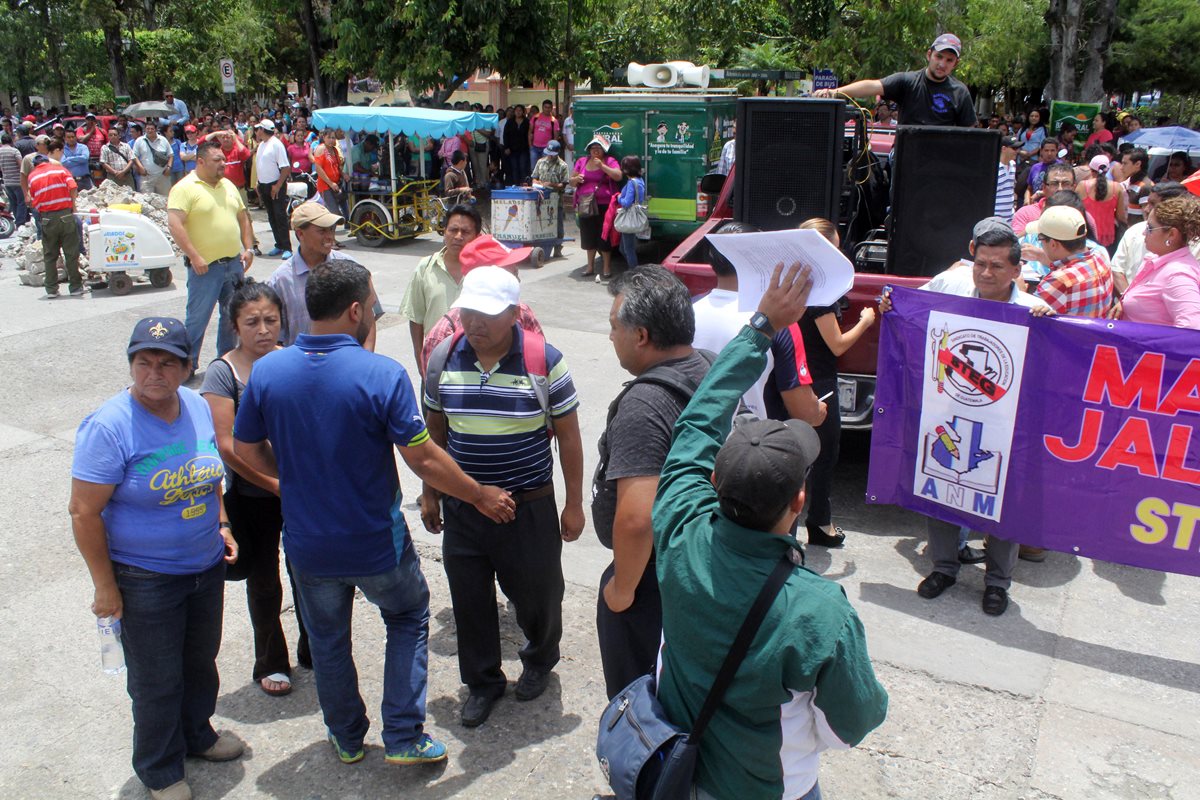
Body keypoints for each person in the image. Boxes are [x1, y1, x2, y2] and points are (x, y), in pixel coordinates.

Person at [233, 260, 515, 766]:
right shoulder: (380, 374)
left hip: (307, 545)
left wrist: (288, 484)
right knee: (407, 616)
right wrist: (478, 494)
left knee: (327, 639)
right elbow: (423, 456)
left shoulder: (269, 371)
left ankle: (345, 736)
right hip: (374, 542)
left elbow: (244, 448)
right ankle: (404, 736)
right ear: (356, 310)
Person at [654, 263, 889, 800]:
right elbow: (856, 719)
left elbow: (696, 422)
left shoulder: (678, 529)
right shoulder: (819, 609)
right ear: (799, 502)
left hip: (678, 770)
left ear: (713, 480)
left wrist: (761, 326)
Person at [70, 317, 244, 800]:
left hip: (204, 564)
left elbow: (209, 475)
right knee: (155, 679)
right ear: (131, 365)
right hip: (143, 576)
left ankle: (197, 735)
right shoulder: (109, 426)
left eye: (168, 363)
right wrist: (106, 586)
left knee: (200, 662)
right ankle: (160, 769)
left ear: (188, 367)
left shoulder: (195, 405)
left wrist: (222, 523)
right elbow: (84, 511)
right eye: (144, 362)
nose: (155, 373)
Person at [420, 265, 584, 727]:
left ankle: (538, 659)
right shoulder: (442, 361)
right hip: (464, 505)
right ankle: (483, 682)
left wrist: (573, 503)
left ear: (514, 313)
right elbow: (434, 433)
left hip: (528, 505)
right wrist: (431, 494)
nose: (475, 323)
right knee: (469, 599)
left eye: (488, 314)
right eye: (469, 311)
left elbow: (569, 438)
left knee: (539, 595)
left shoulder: (544, 360)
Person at [879, 222, 1052, 613]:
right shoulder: (951, 287)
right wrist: (889, 304)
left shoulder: (1034, 312)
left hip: (1006, 429)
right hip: (950, 417)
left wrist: (1049, 322)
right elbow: (904, 305)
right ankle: (944, 567)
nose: (986, 273)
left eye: (996, 266)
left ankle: (997, 583)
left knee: (1001, 505)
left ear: (1015, 270)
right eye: (980, 264)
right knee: (941, 489)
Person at [593, 265, 712, 700]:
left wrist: (622, 590)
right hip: (697, 565)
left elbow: (637, 519)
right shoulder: (706, 366)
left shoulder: (645, 404)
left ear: (640, 335)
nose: (610, 337)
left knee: (639, 703)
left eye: (613, 327)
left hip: (652, 579)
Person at [200, 281, 309, 697]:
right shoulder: (222, 373)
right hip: (252, 497)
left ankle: (314, 648)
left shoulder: (293, 360)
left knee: (309, 575)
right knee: (264, 581)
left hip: (298, 492)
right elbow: (227, 446)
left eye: (271, 320)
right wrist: (273, 484)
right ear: (234, 327)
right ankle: (271, 661)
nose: (263, 330)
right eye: (252, 322)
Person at [691, 222, 828, 429]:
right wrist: (817, 410)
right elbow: (804, 413)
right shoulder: (779, 322)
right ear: (759, 260)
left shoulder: (686, 311)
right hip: (748, 448)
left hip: (689, 439)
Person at [796, 218, 876, 549]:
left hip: (794, 375)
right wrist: (865, 322)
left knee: (795, 452)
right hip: (820, 380)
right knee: (825, 455)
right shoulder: (820, 293)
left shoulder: (793, 281)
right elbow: (838, 344)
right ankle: (820, 523)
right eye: (836, 245)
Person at [168, 140, 256, 372]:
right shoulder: (184, 188)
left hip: (233, 265)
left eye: (224, 160)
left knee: (231, 317)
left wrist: (249, 248)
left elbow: (243, 217)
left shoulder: (228, 185)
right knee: (197, 320)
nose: (223, 164)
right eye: (217, 160)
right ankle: (187, 366)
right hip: (205, 268)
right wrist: (194, 256)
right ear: (200, 161)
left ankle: (224, 362)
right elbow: (175, 224)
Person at [419, 235, 543, 374]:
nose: (518, 280)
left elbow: (541, 365)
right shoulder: (442, 336)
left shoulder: (522, 314)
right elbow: (435, 389)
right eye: (512, 273)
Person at [815, 33, 976, 127]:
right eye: (939, 57)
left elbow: (970, 135)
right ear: (929, 55)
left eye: (949, 60)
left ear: (956, 63)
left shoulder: (960, 92)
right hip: (907, 157)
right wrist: (835, 92)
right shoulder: (907, 81)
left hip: (941, 165)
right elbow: (872, 86)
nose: (942, 64)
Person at [268, 202, 361, 347]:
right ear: (300, 233)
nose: (330, 236)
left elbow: (368, 321)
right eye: (322, 231)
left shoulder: (350, 266)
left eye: (332, 229)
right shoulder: (280, 281)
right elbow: (275, 338)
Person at [400, 204, 483, 366]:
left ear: (477, 236)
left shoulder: (485, 271)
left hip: (476, 363)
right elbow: (416, 318)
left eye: (465, 232)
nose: (458, 236)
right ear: (444, 232)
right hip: (435, 360)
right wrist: (420, 359)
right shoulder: (425, 267)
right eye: (453, 230)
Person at [1113, 195, 1200, 328]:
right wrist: (1125, 303)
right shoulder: (1158, 260)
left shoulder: (1178, 276)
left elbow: (1192, 330)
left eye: (1149, 228)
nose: (1143, 233)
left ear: (1172, 234)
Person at [1111, 181, 1200, 293]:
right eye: (1147, 203)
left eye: (1153, 204)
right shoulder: (1134, 231)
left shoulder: (1194, 247)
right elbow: (1116, 269)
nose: (1146, 209)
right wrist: (1127, 300)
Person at [1029, 206, 1114, 317]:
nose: (1040, 244)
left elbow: (1025, 316)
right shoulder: (1101, 256)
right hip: (1097, 331)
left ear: (1053, 244)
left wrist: (1018, 288)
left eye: (1040, 239)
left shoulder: (1058, 281)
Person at [28, 141, 85, 298]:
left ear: (35, 165)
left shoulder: (32, 176)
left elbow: (34, 200)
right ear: (47, 161)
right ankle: (75, 287)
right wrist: (73, 205)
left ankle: (52, 289)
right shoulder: (60, 170)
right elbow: (73, 187)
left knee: (50, 255)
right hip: (66, 216)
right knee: (71, 253)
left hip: (47, 219)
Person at [570, 137, 621, 281]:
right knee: (588, 235)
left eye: (598, 149)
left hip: (604, 204)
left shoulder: (609, 160)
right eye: (593, 149)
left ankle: (606, 267)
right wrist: (576, 179)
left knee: (604, 236)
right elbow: (571, 181)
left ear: (603, 150)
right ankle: (590, 267)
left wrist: (603, 166)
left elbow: (618, 176)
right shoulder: (582, 161)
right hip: (586, 204)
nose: (595, 151)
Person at [254, 119, 292, 257]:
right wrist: (258, 182)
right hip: (264, 185)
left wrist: (278, 185)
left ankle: (287, 247)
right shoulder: (262, 145)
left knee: (280, 216)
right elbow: (262, 165)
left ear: (262, 130)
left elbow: (286, 167)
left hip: (275, 184)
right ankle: (279, 244)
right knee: (271, 216)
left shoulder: (276, 144)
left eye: (258, 129)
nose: (256, 131)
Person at [1077, 154, 1126, 249]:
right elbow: (1121, 216)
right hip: (1108, 237)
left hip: (1086, 235)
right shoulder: (1117, 188)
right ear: (1107, 170)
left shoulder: (1082, 186)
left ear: (1091, 170)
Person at [531, 139, 569, 258]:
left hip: (556, 199)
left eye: (552, 154)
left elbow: (563, 184)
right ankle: (542, 246)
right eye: (548, 153)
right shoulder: (540, 162)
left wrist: (551, 185)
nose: (549, 156)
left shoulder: (563, 165)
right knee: (541, 222)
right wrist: (538, 183)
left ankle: (558, 248)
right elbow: (534, 178)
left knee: (557, 224)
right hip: (541, 199)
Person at [615, 155, 646, 268]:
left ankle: (634, 272)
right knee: (624, 248)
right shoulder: (640, 180)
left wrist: (618, 197)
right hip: (635, 214)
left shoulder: (630, 183)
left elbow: (626, 202)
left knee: (628, 249)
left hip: (629, 216)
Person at [133, 121, 174, 196]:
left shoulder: (163, 140)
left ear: (156, 130)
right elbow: (134, 156)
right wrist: (140, 167)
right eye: (148, 129)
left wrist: (169, 167)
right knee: (147, 201)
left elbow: (171, 155)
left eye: (152, 129)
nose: (150, 130)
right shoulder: (139, 141)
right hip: (147, 177)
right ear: (145, 129)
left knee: (165, 199)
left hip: (162, 176)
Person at [0, 132, 28, 228]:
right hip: (17, 180)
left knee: (13, 202)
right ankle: (20, 222)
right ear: (11, 141)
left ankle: (17, 220)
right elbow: (21, 165)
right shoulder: (14, 151)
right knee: (21, 202)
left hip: (7, 181)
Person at [502, 104, 531, 185]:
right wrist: (506, 147)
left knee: (523, 167)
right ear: (514, 112)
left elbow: (530, 134)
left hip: (524, 149)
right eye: (516, 110)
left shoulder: (527, 122)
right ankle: (516, 185)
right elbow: (505, 135)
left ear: (523, 112)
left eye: (520, 110)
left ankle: (523, 184)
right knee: (514, 168)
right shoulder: (510, 122)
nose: (518, 112)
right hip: (512, 149)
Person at [529, 99, 560, 166]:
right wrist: (530, 145)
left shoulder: (554, 121)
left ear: (551, 108)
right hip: (534, 147)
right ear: (542, 107)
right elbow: (530, 131)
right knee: (533, 168)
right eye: (545, 107)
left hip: (546, 149)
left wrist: (552, 150)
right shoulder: (535, 117)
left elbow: (556, 137)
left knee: (545, 169)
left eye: (549, 107)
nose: (547, 109)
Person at [996, 136, 1020, 222]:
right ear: (1004, 149)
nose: (1017, 151)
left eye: (1018, 148)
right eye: (1014, 148)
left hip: (1010, 217)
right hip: (995, 218)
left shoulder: (1013, 165)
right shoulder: (994, 168)